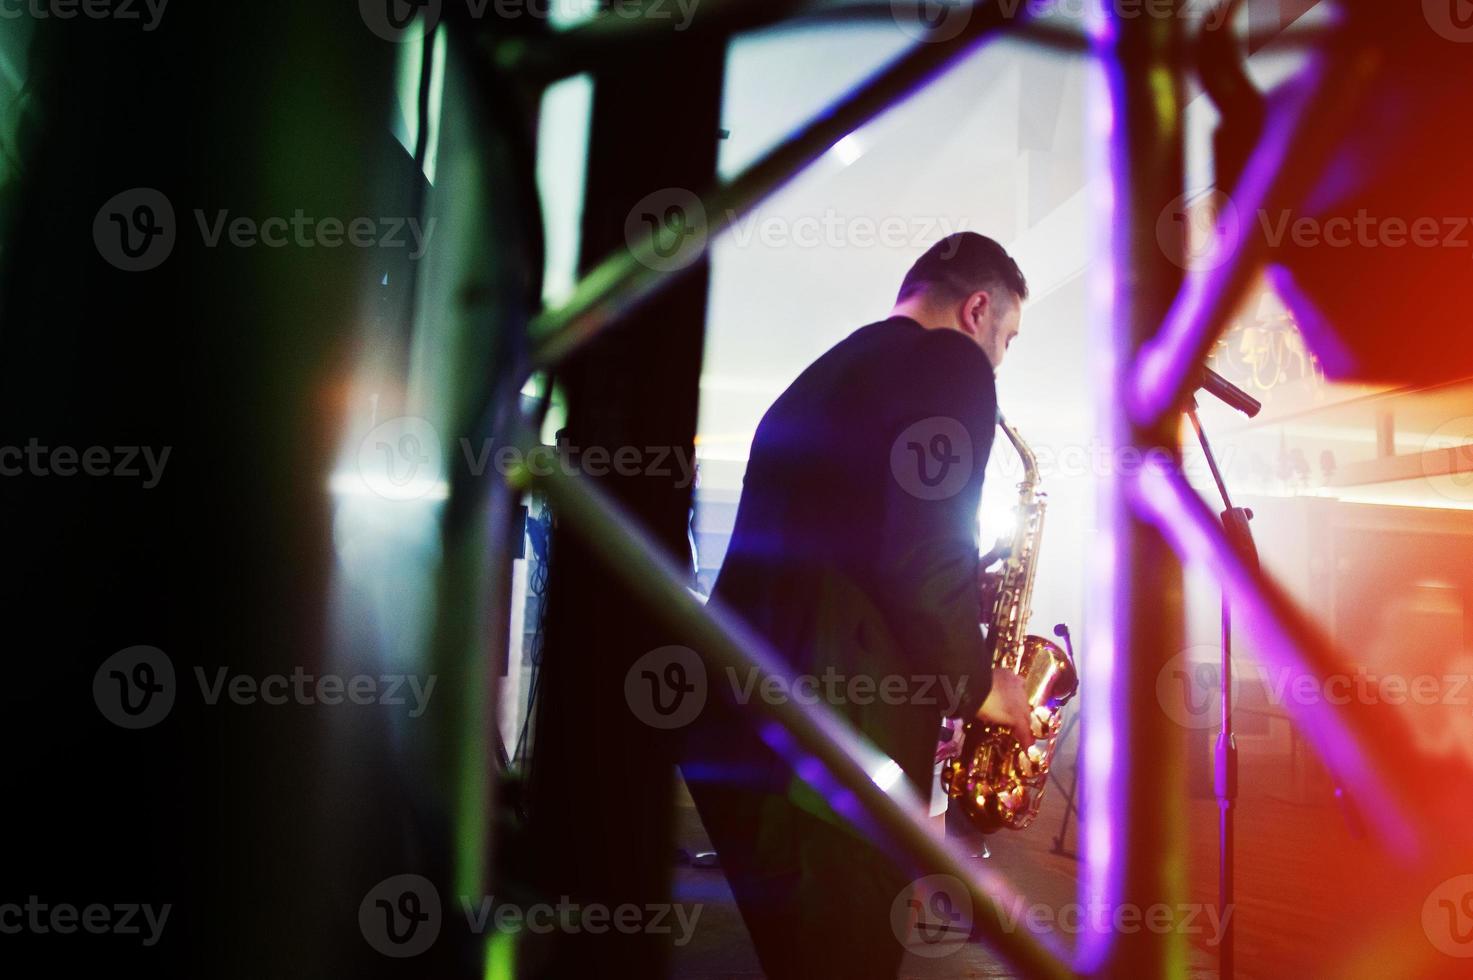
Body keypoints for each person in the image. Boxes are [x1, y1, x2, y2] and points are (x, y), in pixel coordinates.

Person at [683, 233, 1037, 978]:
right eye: (1005, 338)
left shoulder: (832, 371)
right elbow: (919, 556)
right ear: (977, 309)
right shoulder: (950, 364)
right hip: (827, 752)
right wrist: (979, 687)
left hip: (751, 728)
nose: (999, 359)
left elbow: (864, 548)